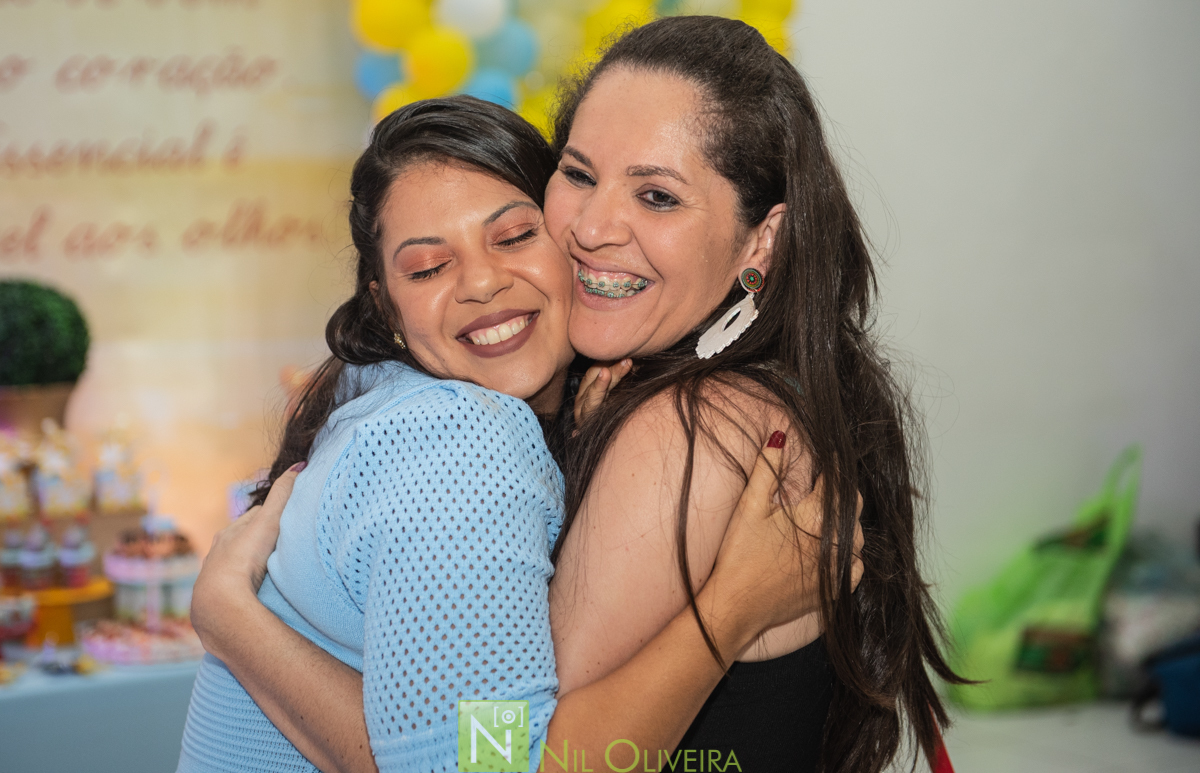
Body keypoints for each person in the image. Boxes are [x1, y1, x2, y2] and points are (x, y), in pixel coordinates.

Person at [195, 15, 962, 773]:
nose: (594, 227)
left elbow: (490, 767)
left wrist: (233, 620)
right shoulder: (756, 391)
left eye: (657, 197)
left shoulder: (690, 424)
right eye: (580, 174)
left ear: (762, 238)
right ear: (383, 303)